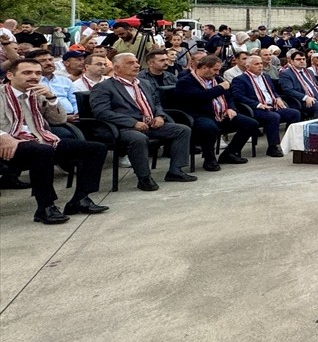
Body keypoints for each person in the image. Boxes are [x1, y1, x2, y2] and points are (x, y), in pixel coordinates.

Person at [1, 57, 109, 223]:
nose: (34, 76)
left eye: (37, 73)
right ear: (10, 75)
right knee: (43, 151)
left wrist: (51, 98)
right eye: (27, 72)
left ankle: (79, 199)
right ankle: (45, 207)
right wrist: (3, 136)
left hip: (40, 139)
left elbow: (59, 120)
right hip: (9, 144)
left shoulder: (37, 94)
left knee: (96, 148)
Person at [89, 53, 197, 191]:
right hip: (122, 128)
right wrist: (132, 123)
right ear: (117, 68)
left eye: (136, 62)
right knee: (139, 138)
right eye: (130, 63)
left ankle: (176, 171)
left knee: (182, 130)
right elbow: (102, 112)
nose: (137, 65)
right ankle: (144, 178)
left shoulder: (144, 83)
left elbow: (156, 103)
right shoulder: (104, 87)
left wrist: (159, 116)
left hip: (149, 124)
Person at [173, 54, 257, 171]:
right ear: (204, 68)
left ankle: (230, 153)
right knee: (209, 128)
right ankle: (209, 159)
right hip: (199, 115)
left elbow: (229, 97)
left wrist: (231, 108)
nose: (217, 73)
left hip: (221, 113)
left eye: (218, 70)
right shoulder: (186, 81)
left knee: (251, 124)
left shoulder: (216, 80)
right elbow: (200, 97)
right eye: (215, 70)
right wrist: (220, 88)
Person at [229, 54, 300, 157]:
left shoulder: (265, 76)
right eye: (257, 64)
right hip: (255, 108)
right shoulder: (240, 79)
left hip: (271, 105)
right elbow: (238, 97)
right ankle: (273, 147)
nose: (260, 66)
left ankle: (289, 142)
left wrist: (278, 98)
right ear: (248, 66)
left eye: (261, 63)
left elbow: (272, 91)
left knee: (294, 113)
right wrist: (258, 104)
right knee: (273, 117)